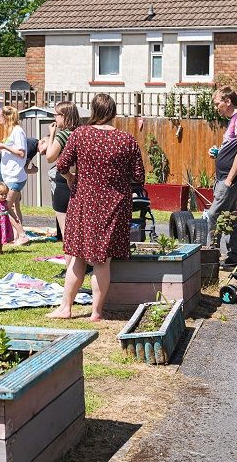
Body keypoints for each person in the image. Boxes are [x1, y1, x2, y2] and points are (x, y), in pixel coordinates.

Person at [48, 94, 145, 322]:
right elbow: (139, 177)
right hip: (114, 205)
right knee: (103, 261)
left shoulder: (81, 134)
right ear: (113, 112)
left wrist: (70, 177)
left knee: (78, 257)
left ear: (93, 111)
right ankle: (96, 313)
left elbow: (60, 164)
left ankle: (66, 308)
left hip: (84, 202)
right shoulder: (127, 140)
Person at [205, 86, 237, 265]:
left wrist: (229, 180)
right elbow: (233, 150)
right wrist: (218, 153)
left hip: (229, 179)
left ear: (228, 101)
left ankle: (211, 255)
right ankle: (233, 256)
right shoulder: (235, 120)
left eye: (217, 103)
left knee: (213, 215)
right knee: (229, 217)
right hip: (225, 177)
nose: (216, 107)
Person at [37, 101, 81, 242]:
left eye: (56, 115)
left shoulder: (63, 135)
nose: (55, 118)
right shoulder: (81, 132)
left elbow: (50, 157)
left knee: (66, 229)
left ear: (64, 116)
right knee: (79, 226)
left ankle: (71, 263)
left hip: (64, 181)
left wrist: (52, 134)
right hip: (81, 181)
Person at [0, 106, 27, 243]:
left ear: (6, 117)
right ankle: (18, 236)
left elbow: (21, 153)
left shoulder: (17, 131)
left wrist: (4, 146)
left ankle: (22, 235)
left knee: (5, 208)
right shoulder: (11, 132)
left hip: (15, 176)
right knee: (13, 207)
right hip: (11, 176)